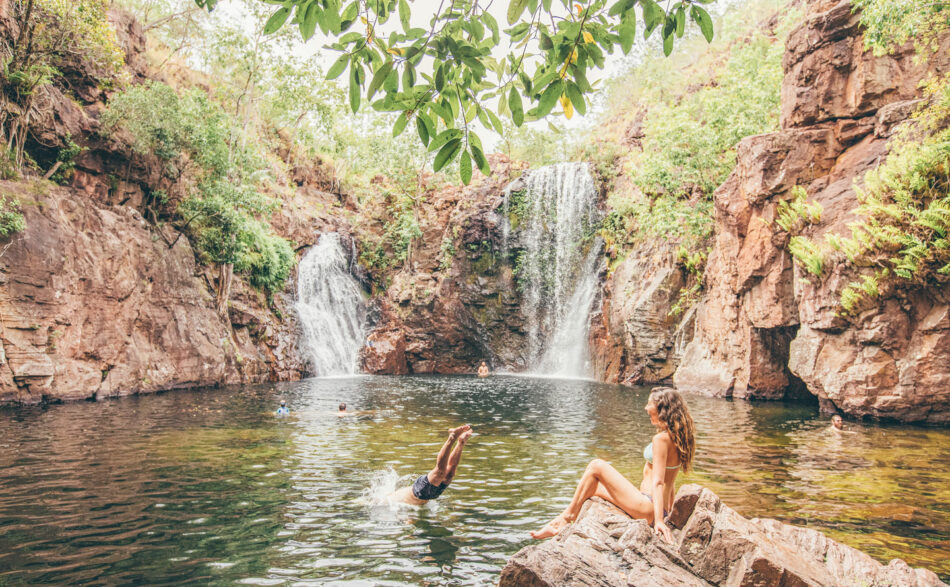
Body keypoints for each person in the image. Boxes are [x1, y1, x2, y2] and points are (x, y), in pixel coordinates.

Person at [531, 388, 695, 543]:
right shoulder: (678, 438)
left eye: (649, 404)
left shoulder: (661, 440)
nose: (646, 408)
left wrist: (659, 521)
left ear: (661, 408)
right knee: (592, 486)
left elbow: (659, 482)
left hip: (648, 506)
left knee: (596, 465)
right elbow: (670, 481)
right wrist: (668, 514)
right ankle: (560, 521)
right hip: (656, 507)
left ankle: (563, 521)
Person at [390, 424, 473, 504]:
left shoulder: (387, 501)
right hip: (429, 495)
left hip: (419, 492)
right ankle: (461, 442)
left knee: (440, 472)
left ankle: (452, 437)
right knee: (450, 474)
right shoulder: (390, 500)